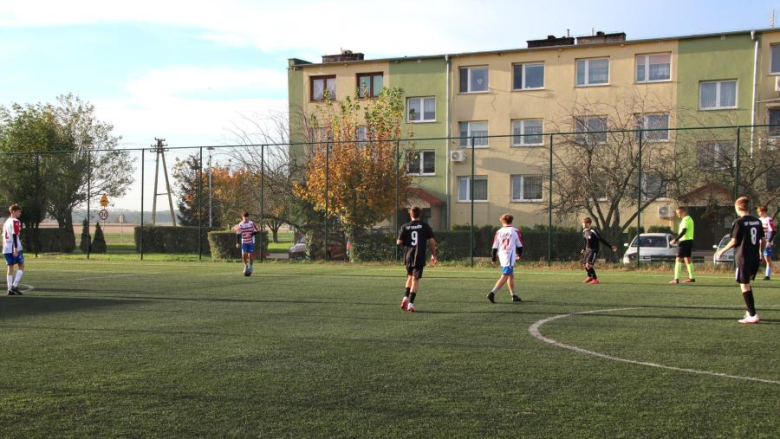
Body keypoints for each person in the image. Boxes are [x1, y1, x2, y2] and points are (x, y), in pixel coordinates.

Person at [714, 197, 764, 324]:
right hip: (754, 257)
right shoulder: (757, 221)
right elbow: (762, 240)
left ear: (739, 208)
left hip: (743, 257)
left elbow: (734, 240)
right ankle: (750, 311)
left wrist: (721, 251)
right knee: (747, 283)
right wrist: (760, 252)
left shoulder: (739, 222)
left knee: (744, 285)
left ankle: (752, 315)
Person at [397, 207, 436, 312]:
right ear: (420, 214)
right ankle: (410, 303)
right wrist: (433, 254)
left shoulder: (404, 226)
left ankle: (405, 297)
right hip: (419, 256)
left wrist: (407, 243)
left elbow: (398, 242)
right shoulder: (424, 226)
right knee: (415, 279)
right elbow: (432, 241)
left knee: (409, 276)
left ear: (410, 214)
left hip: (408, 256)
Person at [487, 214, 523, 303]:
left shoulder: (499, 232)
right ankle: (492, 293)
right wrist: (519, 255)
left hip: (502, 255)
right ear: (511, 220)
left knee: (510, 274)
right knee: (506, 274)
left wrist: (493, 258)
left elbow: (494, 247)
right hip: (509, 255)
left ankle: (513, 295)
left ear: (501, 221)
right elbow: (520, 245)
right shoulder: (515, 231)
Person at [581, 217, 617, 285]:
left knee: (588, 265)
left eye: (583, 222)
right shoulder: (584, 231)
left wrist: (610, 246)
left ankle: (595, 279)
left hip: (593, 250)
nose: (582, 224)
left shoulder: (593, 231)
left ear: (588, 223)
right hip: (587, 250)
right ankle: (590, 277)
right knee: (584, 265)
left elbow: (601, 239)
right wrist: (584, 248)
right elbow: (585, 241)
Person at [669, 206, 695, 284]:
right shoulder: (689, 218)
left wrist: (675, 240)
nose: (677, 215)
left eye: (678, 213)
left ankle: (676, 279)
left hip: (684, 242)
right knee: (687, 259)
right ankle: (692, 277)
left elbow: (684, 231)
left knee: (678, 259)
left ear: (682, 212)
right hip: (689, 241)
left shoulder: (685, 220)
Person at [3, 204, 24, 295]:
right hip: (14, 247)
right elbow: (15, 234)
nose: (20, 213)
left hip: (6, 247)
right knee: (21, 265)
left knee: (10, 267)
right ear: (13, 211)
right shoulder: (15, 221)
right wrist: (15, 248)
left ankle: (9, 289)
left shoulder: (6, 222)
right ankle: (14, 286)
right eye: (19, 211)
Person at [757, 205, 775, 280]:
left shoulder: (769, 219)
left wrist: (769, 241)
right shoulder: (758, 220)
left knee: (767, 258)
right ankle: (751, 273)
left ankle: (768, 275)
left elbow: (773, 231)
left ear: (763, 211)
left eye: (759, 211)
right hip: (758, 242)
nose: (758, 213)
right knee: (756, 258)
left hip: (767, 242)